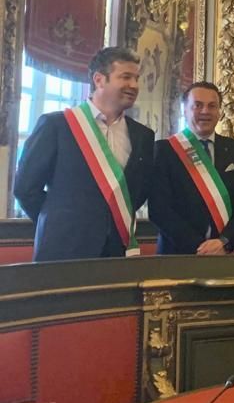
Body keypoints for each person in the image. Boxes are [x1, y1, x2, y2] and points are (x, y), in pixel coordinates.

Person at [13, 46, 154, 261]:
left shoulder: (143, 135)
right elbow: (25, 188)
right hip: (63, 250)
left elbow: (139, 191)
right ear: (99, 80)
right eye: (126, 77)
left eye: (136, 78)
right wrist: (59, 220)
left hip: (117, 250)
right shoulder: (56, 125)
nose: (134, 85)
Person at [149, 82, 234, 255]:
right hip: (177, 255)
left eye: (212, 106)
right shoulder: (164, 150)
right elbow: (159, 209)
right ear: (185, 110)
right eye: (197, 105)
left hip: (225, 253)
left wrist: (225, 242)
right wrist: (200, 248)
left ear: (219, 112)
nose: (205, 111)